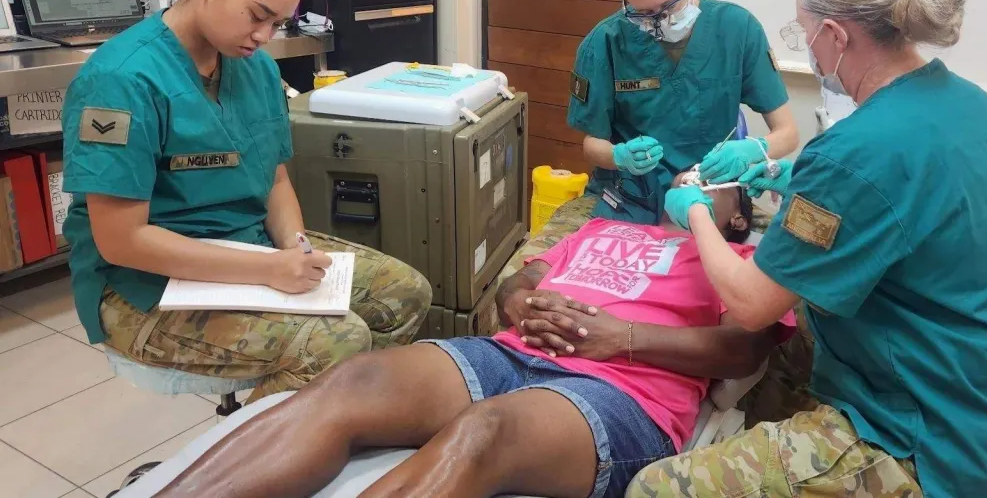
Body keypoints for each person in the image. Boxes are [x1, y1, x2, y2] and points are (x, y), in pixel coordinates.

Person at [635, 0, 987, 498]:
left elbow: (749, 303)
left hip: (920, 440)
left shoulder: (855, 153)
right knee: (775, 358)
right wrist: (791, 177)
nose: (807, 45)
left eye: (802, 31)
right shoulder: (979, 113)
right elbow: (908, 206)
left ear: (834, 34)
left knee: (655, 488)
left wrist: (694, 209)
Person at [151, 171, 796, 498]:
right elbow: (523, 277)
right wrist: (519, 300)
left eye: (712, 183)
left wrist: (619, 337)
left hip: (623, 394)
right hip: (510, 355)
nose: (692, 182)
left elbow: (744, 348)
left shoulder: (748, 265)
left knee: (482, 432)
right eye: (690, 175)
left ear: (740, 213)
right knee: (353, 379)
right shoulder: (602, 228)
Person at [61, 0, 432, 402]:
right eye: (257, 15)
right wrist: (266, 271)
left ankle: (333, 425)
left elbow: (274, 180)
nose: (264, 36)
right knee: (333, 343)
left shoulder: (254, 68)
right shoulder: (122, 79)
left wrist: (296, 248)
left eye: (276, 24)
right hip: (142, 285)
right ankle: (258, 448)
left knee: (404, 293)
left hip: (249, 245)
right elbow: (121, 241)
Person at [497, 0, 799, 282]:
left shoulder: (737, 29)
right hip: (626, 200)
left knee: (789, 282)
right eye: (641, 14)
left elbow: (787, 133)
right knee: (522, 284)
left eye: (669, 7)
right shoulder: (604, 42)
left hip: (712, 199)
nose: (658, 24)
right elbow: (592, 145)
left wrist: (754, 150)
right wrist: (619, 156)